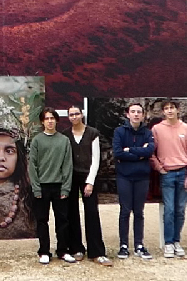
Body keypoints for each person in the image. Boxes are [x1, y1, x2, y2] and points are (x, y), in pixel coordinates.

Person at [28, 108, 75, 265]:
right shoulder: (37, 141)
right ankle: (44, 251)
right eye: (47, 118)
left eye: (52, 118)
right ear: (42, 121)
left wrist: (66, 188)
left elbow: (67, 165)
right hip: (41, 187)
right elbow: (32, 166)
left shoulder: (64, 141)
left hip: (59, 186)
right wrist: (36, 188)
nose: (50, 121)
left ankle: (63, 250)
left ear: (56, 120)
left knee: (63, 220)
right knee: (42, 220)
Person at [65, 105, 111, 266]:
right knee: (72, 213)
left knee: (91, 212)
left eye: (77, 114)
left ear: (82, 115)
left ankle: (97, 252)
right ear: (68, 117)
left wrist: (90, 182)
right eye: (71, 115)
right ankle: (76, 248)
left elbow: (95, 159)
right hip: (71, 177)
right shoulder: (65, 135)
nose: (74, 117)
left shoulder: (92, 133)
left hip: (88, 176)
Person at [151, 100, 187, 259]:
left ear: (178, 110)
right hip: (167, 174)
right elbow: (151, 151)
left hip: (182, 172)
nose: (169, 111)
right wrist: (159, 167)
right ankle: (168, 243)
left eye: (172, 108)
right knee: (169, 210)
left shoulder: (186, 129)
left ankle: (177, 241)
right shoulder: (157, 129)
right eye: (166, 108)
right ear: (163, 112)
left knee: (180, 210)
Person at [113, 102, 155, 260]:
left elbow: (150, 150)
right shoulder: (119, 132)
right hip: (124, 176)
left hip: (142, 177)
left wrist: (129, 150)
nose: (136, 114)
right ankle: (123, 245)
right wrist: (139, 154)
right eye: (133, 111)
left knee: (139, 212)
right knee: (125, 211)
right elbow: (117, 153)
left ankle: (139, 244)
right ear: (127, 114)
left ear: (143, 115)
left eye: (139, 112)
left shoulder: (147, 132)